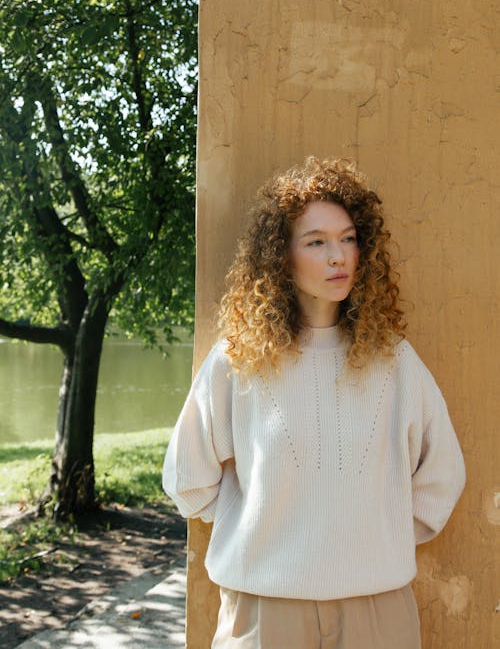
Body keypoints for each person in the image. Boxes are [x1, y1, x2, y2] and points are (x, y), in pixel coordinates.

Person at [163, 156, 466, 649]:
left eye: (348, 238)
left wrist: (372, 535)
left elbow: (442, 477)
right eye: (316, 242)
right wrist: (261, 527)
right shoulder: (237, 361)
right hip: (264, 615)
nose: (338, 257)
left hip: (377, 613)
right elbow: (188, 480)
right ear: (280, 256)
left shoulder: (394, 361)